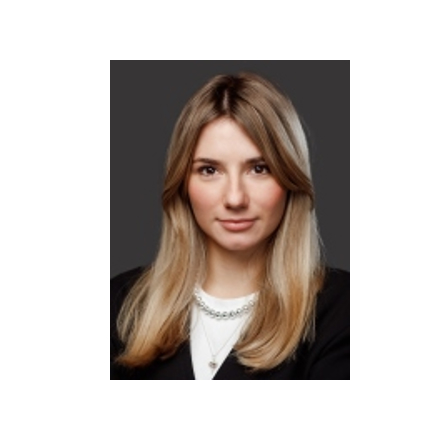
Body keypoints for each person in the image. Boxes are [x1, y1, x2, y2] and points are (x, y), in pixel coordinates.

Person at [111, 72, 349, 380]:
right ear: (182, 183)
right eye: (209, 170)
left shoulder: (344, 310)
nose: (235, 198)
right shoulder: (119, 303)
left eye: (259, 168)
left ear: (291, 178)